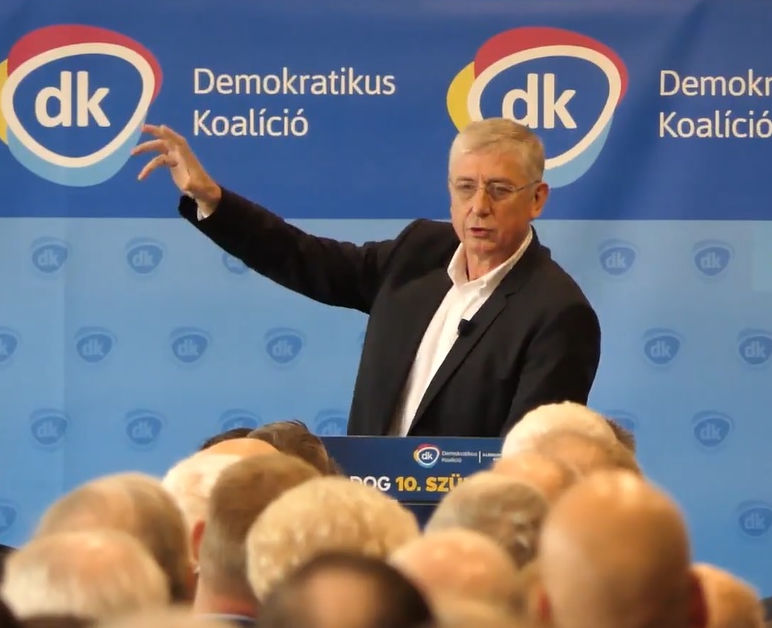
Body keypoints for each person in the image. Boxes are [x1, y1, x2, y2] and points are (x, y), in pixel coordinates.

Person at [134, 118, 602, 439]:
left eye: (499, 190)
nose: (479, 206)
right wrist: (213, 200)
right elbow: (305, 258)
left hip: (464, 538)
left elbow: (533, 465)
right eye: (466, 188)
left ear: (537, 198)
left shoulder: (557, 313)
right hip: (370, 518)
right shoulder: (419, 251)